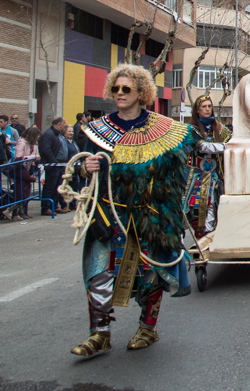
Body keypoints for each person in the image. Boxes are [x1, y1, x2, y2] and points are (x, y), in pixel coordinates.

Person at [69, 64, 197, 357]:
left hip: (149, 213)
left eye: (126, 89)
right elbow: (77, 165)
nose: (119, 94)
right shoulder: (96, 130)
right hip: (108, 213)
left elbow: (180, 168)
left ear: (142, 93)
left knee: (149, 273)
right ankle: (99, 334)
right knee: (98, 272)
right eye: (115, 88)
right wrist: (83, 167)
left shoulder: (166, 129)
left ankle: (147, 328)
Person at [186, 95, 230, 247]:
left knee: (216, 205)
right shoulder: (192, 129)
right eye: (203, 107)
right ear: (197, 110)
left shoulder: (220, 129)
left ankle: (211, 235)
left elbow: (230, 140)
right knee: (199, 207)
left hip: (217, 177)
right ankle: (203, 237)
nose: (207, 109)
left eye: (209, 106)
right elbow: (202, 146)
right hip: (198, 177)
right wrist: (228, 147)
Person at [39, 117, 70, 217]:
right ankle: (45, 207)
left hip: (59, 165)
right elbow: (46, 149)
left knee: (57, 186)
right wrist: (53, 162)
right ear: (59, 124)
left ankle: (55, 205)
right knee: (49, 186)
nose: (64, 127)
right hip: (53, 165)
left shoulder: (58, 135)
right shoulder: (49, 134)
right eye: (64, 124)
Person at [13, 126, 40, 221]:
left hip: (28, 167)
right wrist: (32, 157)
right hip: (20, 169)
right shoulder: (22, 142)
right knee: (20, 191)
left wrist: (35, 157)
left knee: (27, 190)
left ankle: (24, 211)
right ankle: (17, 212)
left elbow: (36, 153)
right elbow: (18, 157)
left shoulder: (34, 144)